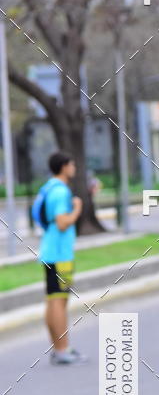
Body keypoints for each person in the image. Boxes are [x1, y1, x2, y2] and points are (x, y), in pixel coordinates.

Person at [37, 151, 84, 364]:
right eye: (71, 164)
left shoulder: (48, 187)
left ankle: (58, 348)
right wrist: (77, 209)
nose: (73, 167)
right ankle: (63, 349)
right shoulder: (60, 191)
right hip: (60, 254)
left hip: (51, 251)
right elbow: (62, 222)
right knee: (59, 300)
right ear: (64, 167)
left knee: (52, 299)